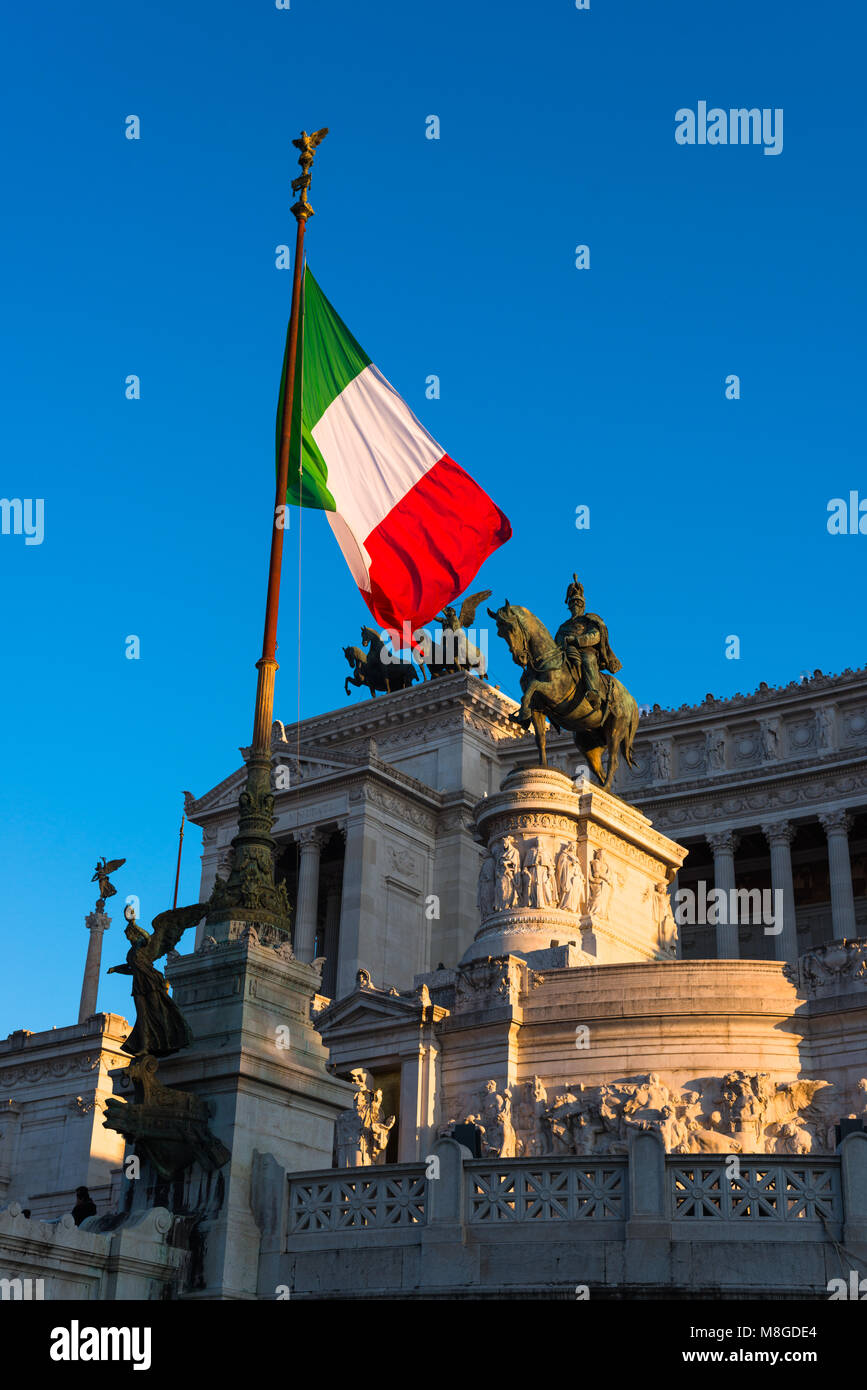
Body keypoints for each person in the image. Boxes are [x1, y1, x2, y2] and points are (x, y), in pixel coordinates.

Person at [554, 575, 621, 711]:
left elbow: (595, 636)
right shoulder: (563, 626)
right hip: (566, 652)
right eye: (572, 604)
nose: (575, 606)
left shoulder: (589, 620)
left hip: (586, 651)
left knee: (588, 659)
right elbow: (556, 643)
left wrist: (576, 640)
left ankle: (593, 693)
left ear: (583, 606)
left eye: (578, 604)